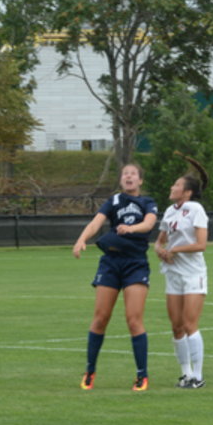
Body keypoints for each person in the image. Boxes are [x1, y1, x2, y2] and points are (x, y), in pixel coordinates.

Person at [72, 164, 158, 391]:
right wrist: (81, 239)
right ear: (121, 180)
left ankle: (142, 375)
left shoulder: (147, 202)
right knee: (100, 318)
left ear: (140, 180)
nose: (128, 176)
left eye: (133, 174)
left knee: (133, 319)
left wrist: (131, 229)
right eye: (125, 174)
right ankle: (90, 371)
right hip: (111, 263)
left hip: (135, 264)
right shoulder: (114, 201)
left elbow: (149, 223)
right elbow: (96, 222)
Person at [154, 159, 209, 389]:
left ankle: (198, 376)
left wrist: (174, 250)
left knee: (189, 324)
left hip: (193, 274)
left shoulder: (196, 209)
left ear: (187, 192)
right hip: (173, 274)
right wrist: (160, 250)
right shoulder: (169, 211)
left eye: (176, 185)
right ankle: (185, 374)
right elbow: (159, 241)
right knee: (176, 326)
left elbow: (201, 244)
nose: (172, 187)